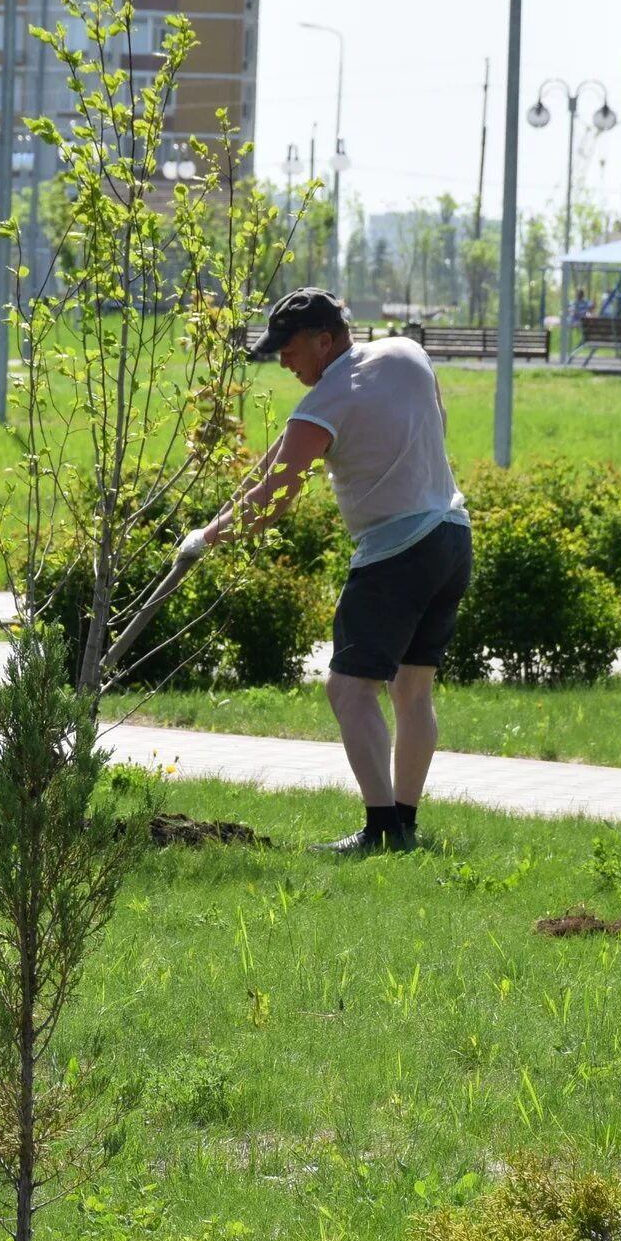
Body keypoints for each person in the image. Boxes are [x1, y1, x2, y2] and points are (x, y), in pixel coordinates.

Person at [199, 288, 470, 854]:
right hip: (451, 536)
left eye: (290, 349)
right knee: (413, 691)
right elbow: (434, 420)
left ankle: (381, 831)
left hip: (395, 553)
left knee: (348, 691)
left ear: (325, 340)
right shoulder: (405, 353)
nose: (283, 361)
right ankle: (405, 823)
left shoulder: (331, 399)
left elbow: (273, 501)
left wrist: (207, 537)